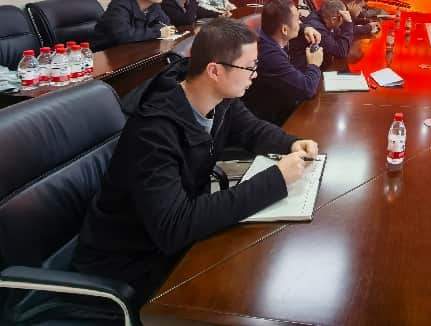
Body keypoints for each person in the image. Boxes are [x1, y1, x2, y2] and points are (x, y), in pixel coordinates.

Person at [73, 18, 320, 308]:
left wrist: (291, 143)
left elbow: (252, 129)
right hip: (129, 264)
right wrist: (275, 179)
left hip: (174, 243)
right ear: (214, 70)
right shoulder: (153, 132)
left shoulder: (220, 98)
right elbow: (174, 226)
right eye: (249, 66)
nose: (255, 74)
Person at [244, 0, 323, 125]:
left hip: (280, 103)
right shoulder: (269, 55)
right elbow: (307, 89)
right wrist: (314, 64)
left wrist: (306, 28)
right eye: (297, 19)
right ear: (285, 30)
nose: (300, 22)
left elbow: (295, 26)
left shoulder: (270, 32)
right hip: (270, 120)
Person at [91, 0, 174, 51]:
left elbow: (166, 24)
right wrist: (157, 32)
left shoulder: (153, 4)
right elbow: (123, 35)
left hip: (133, 48)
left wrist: (159, 30)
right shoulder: (119, 6)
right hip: (105, 52)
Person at [288, 0, 353, 68]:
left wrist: (348, 24)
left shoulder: (322, 16)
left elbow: (338, 34)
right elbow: (342, 51)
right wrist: (348, 23)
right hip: (302, 70)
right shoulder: (318, 29)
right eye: (343, 19)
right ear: (333, 19)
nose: (343, 21)